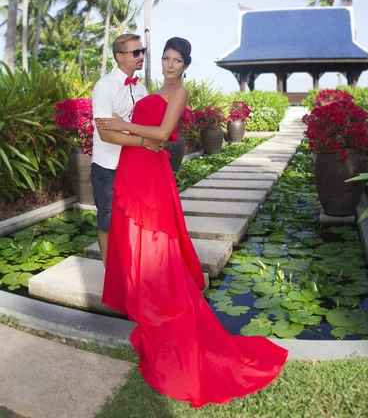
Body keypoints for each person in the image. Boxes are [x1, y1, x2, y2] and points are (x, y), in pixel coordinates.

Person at [97, 37, 288, 408]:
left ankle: (161, 310)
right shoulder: (155, 89)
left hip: (150, 173)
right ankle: (146, 307)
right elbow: (143, 135)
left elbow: (164, 135)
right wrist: (135, 136)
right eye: (165, 58)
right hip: (134, 167)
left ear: (186, 64)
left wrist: (125, 126)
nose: (169, 65)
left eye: (176, 60)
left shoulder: (179, 92)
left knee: (154, 245)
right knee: (135, 241)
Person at [91, 33, 165, 266]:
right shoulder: (104, 87)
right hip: (108, 166)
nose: (141, 56)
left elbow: (144, 127)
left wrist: (125, 125)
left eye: (142, 52)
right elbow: (106, 133)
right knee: (108, 221)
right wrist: (143, 141)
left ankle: (130, 272)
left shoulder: (141, 89)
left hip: (134, 166)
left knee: (133, 220)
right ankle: (109, 273)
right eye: (136, 52)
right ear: (119, 56)